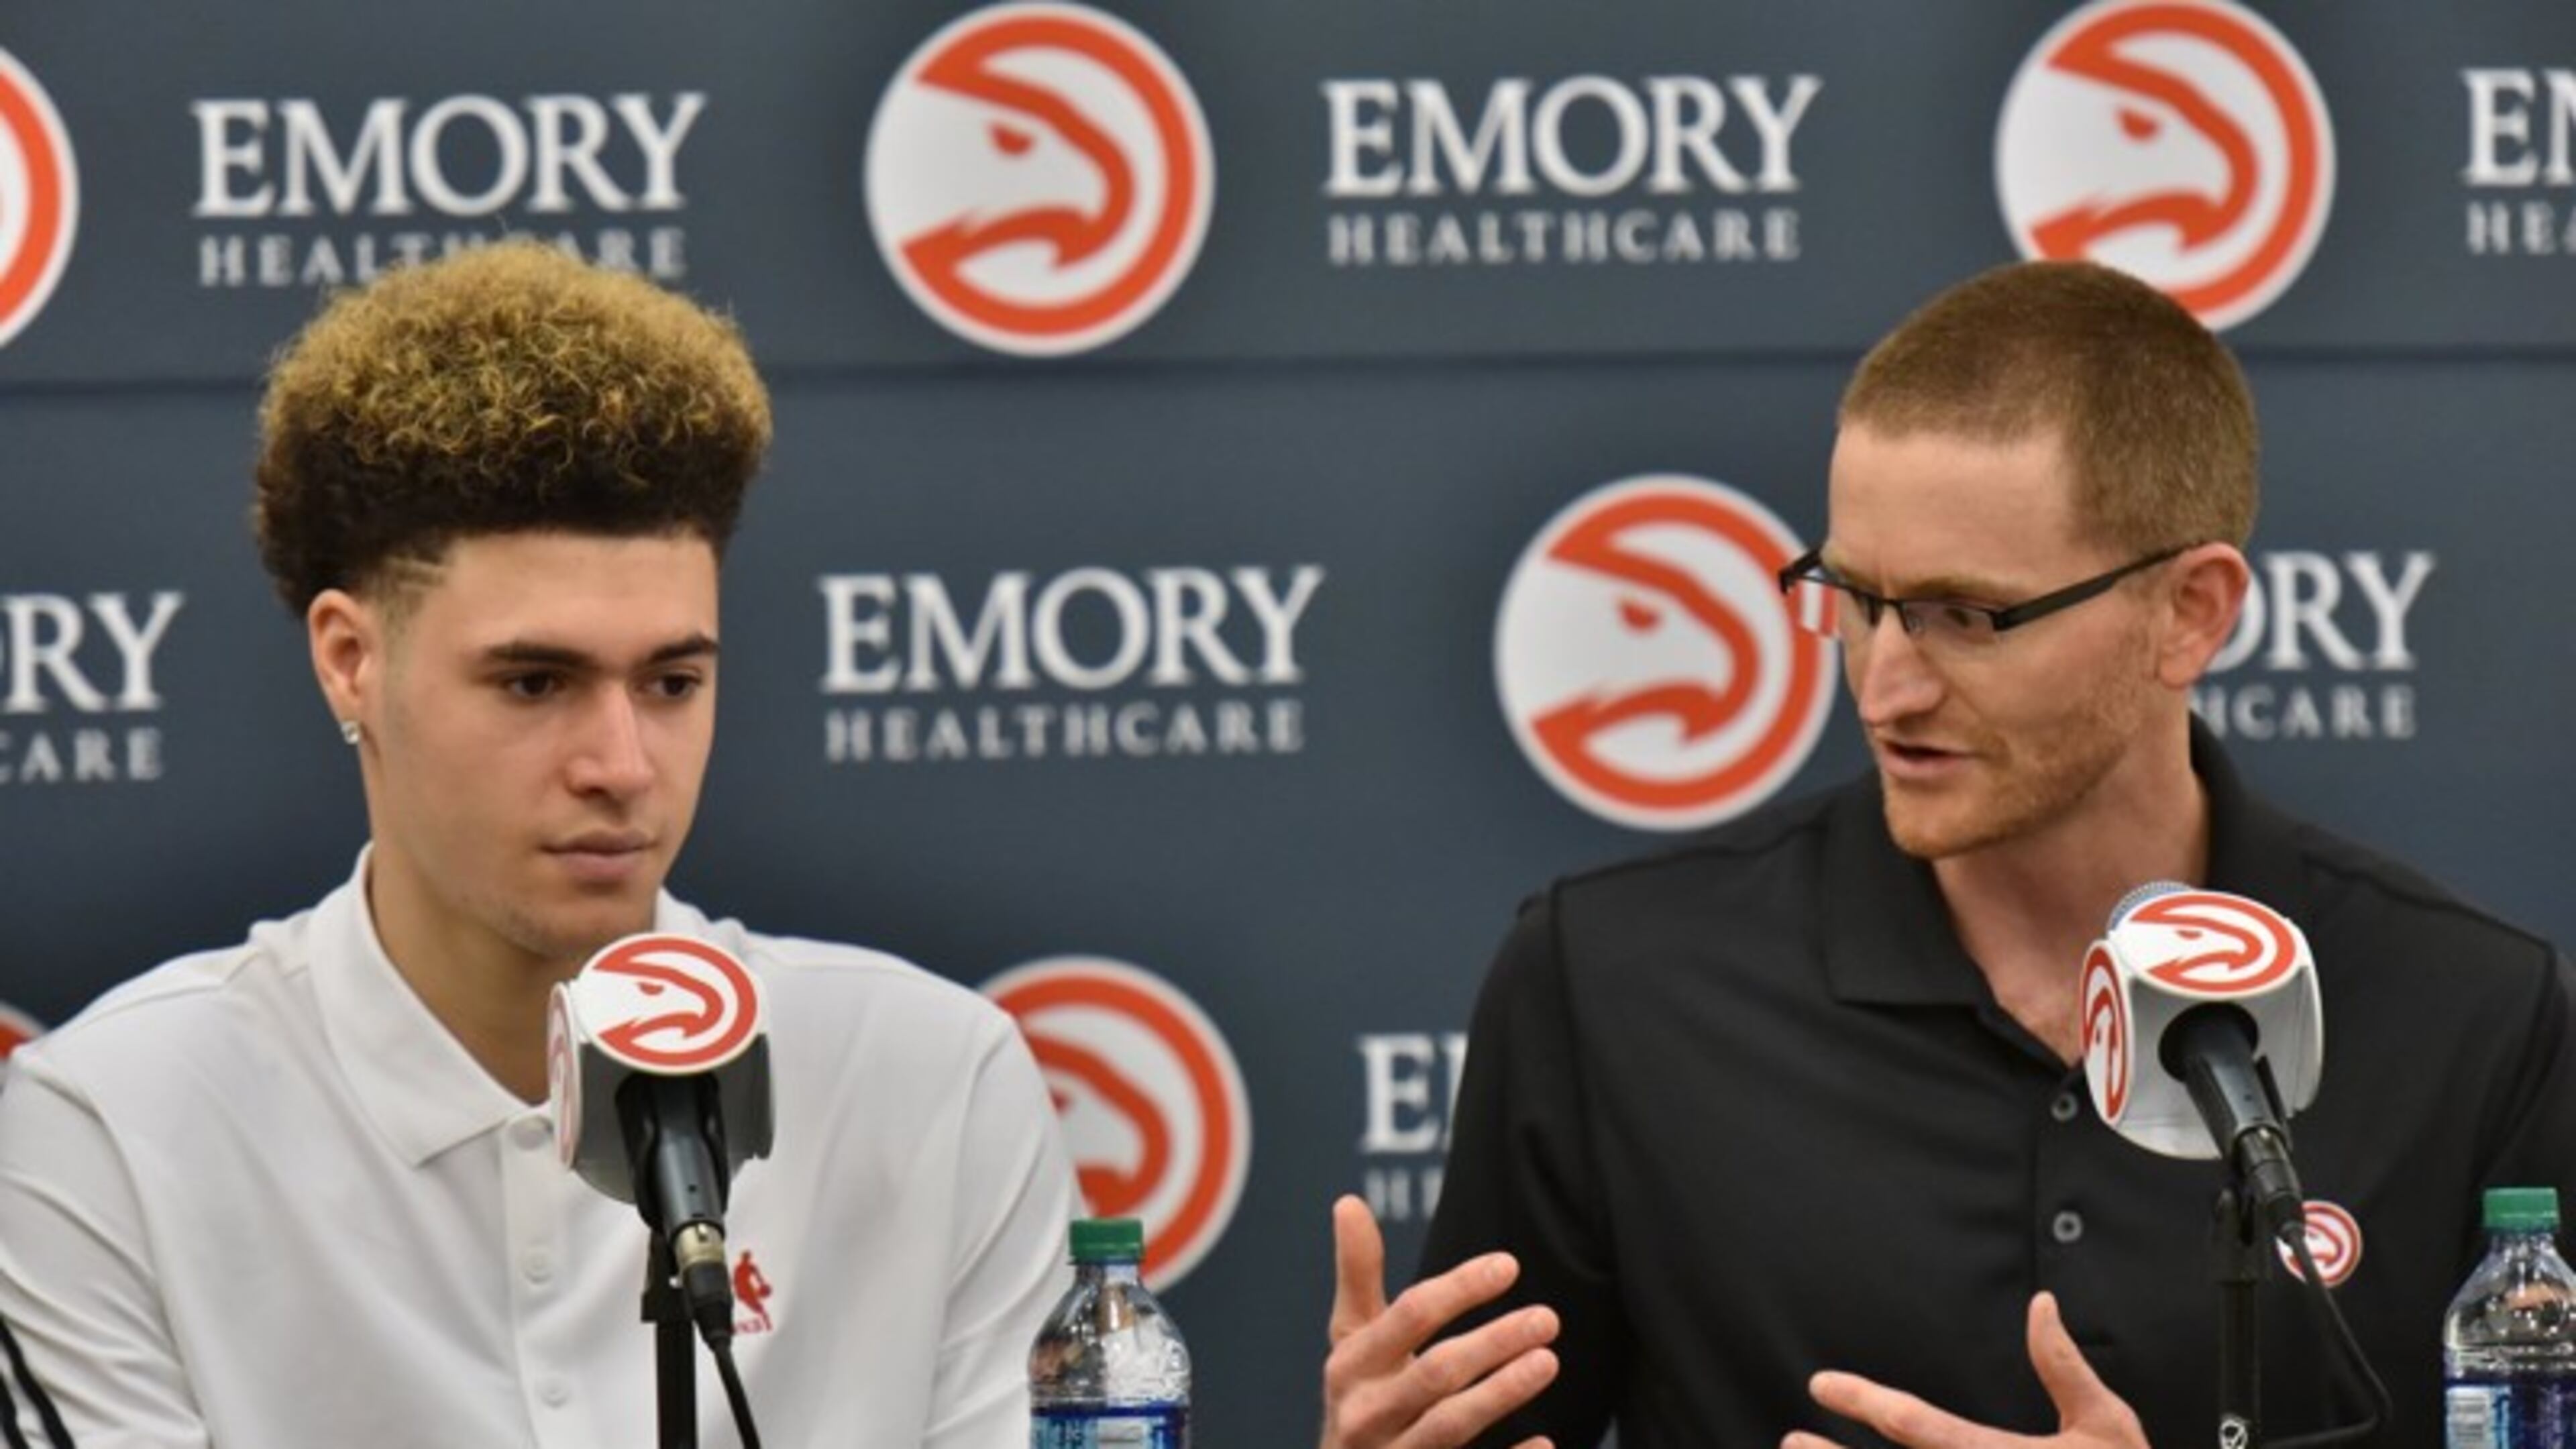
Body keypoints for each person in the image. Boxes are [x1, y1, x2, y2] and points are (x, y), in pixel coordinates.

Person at [1318, 259, 2576, 1449]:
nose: (1887, 686)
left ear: (2190, 612)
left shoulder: (2471, 1017)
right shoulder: (1609, 983)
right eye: (1857, 599)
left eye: (1966, 617)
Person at [0, 241, 1077, 1446]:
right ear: (351, 658)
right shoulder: (111, 1125)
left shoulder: (935, 1081)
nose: (620, 764)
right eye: (533, 682)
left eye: (671, 681)